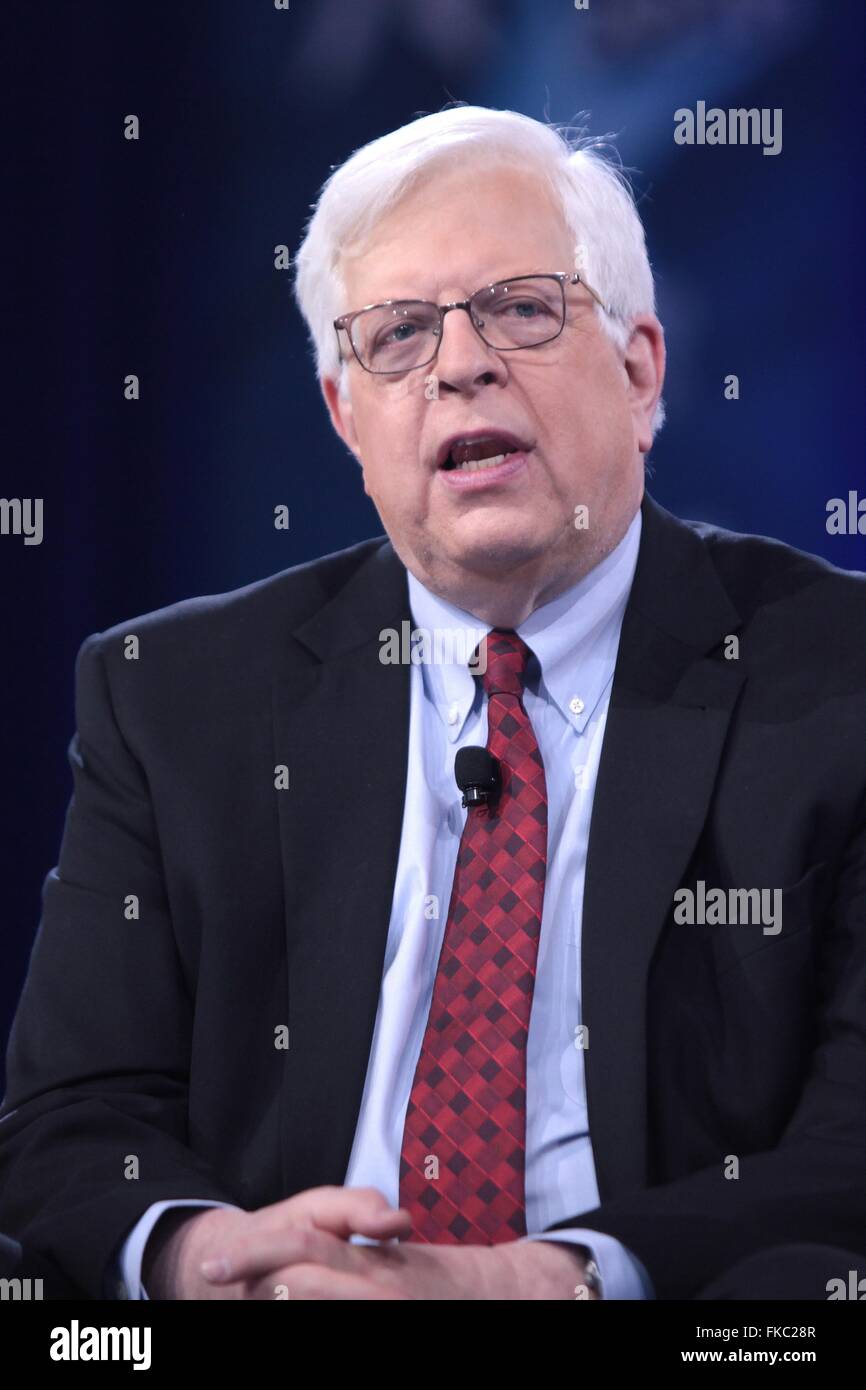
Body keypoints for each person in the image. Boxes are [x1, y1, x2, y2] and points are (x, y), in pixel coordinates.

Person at [1, 105, 864, 1302]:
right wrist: (209, 1256)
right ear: (346, 419)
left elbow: (848, 1152)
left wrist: (522, 1281)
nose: (459, 363)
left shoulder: (838, 678)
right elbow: (76, 1113)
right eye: (398, 334)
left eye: (519, 307)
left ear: (638, 369)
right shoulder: (171, 697)